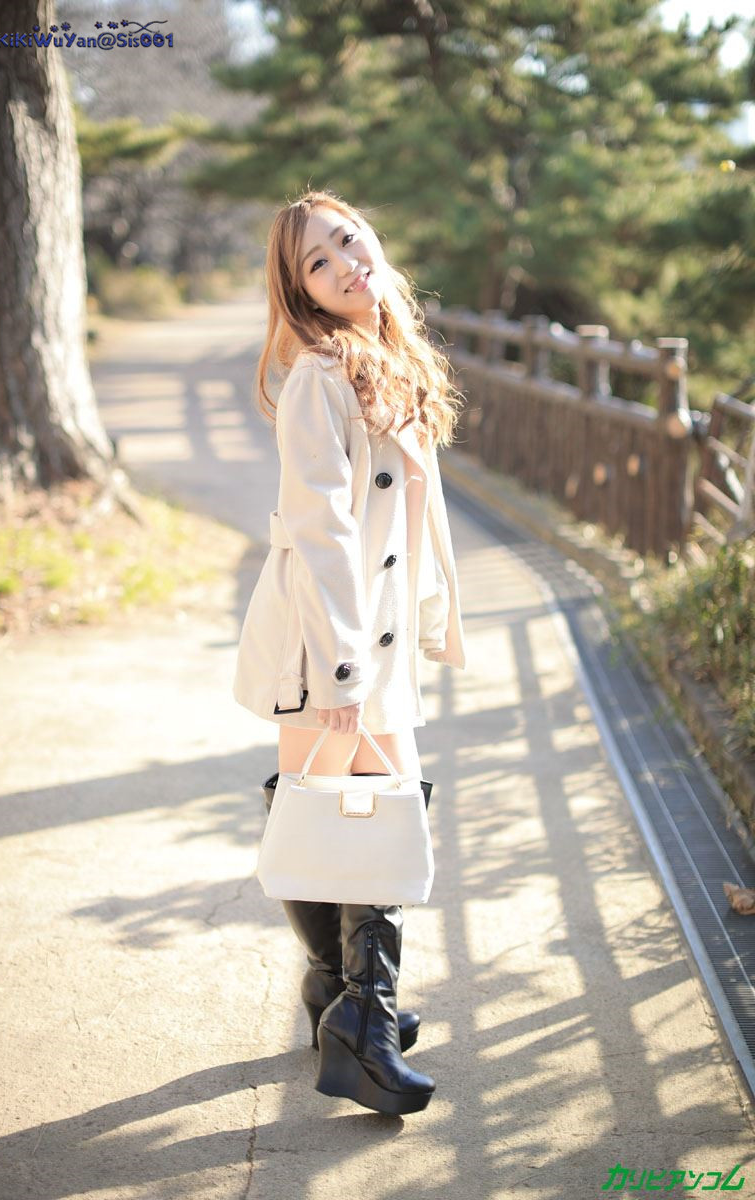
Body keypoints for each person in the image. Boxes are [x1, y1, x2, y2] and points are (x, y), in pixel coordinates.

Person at [232, 188, 467, 1115]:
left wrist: (424, 620)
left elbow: (412, 523)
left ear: (371, 234)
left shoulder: (390, 362)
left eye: (346, 240)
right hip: (331, 639)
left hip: (373, 637)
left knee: (325, 806)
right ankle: (360, 1029)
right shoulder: (320, 378)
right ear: (302, 294)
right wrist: (341, 670)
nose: (343, 265)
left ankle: (338, 994)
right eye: (317, 264)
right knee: (369, 813)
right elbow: (322, 531)